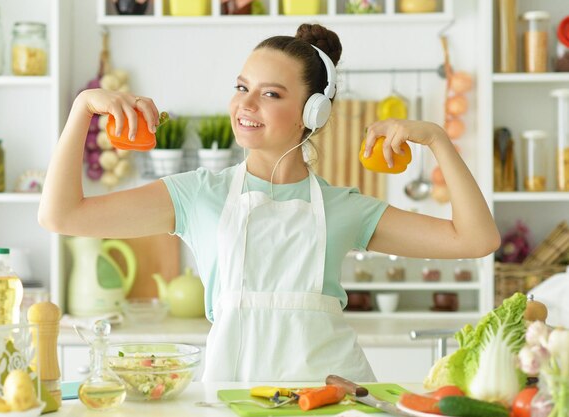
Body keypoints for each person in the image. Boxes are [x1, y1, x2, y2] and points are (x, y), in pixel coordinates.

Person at [39, 23, 500, 382]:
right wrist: (82, 108)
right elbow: (61, 216)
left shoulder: (345, 207)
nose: (246, 104)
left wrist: (437, 139)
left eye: (271, 94)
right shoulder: (197, 195)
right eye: (242, 87)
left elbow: (477, 238)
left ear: (313, 112)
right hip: (233, 396)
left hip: (331, 398)